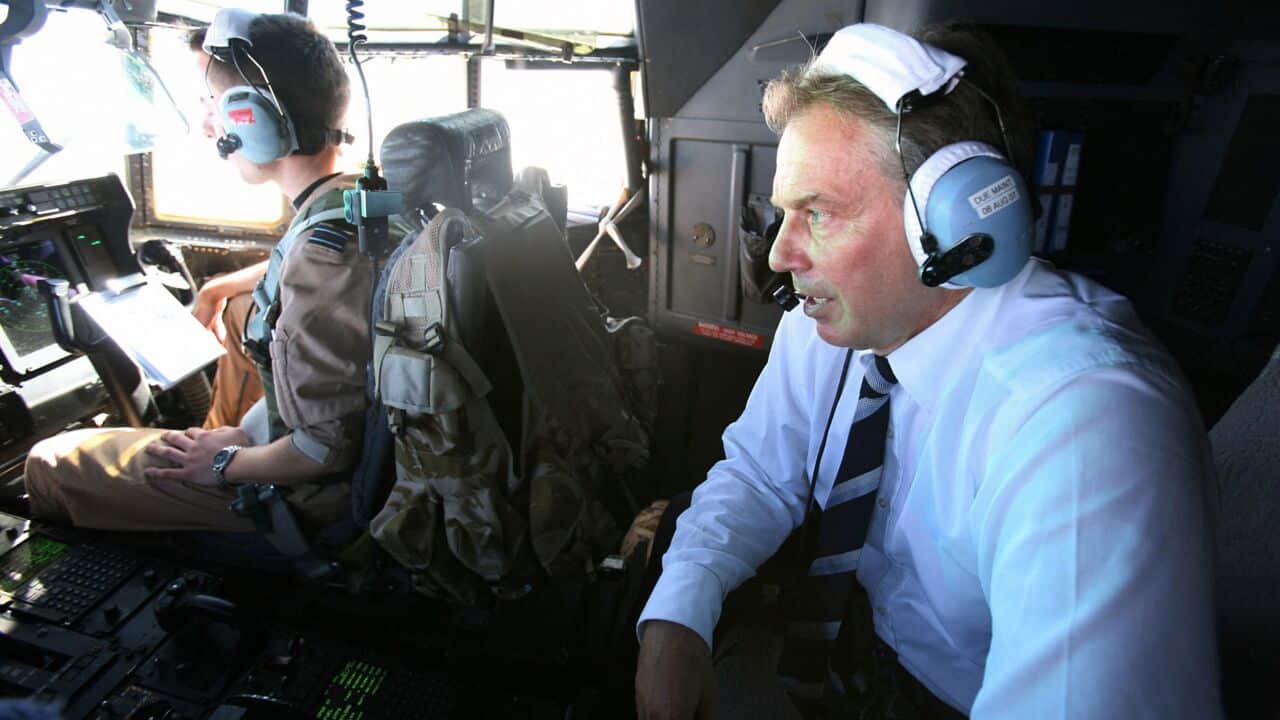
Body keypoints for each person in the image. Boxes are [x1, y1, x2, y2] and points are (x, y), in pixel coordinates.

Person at [634, 22, 1222, 720]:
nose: (778, 256)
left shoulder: (1086, 427)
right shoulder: (831, 322)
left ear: (947, 223)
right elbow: (762, 472)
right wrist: (680, 611)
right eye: (783, 212)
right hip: (858, 649)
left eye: (818, 214)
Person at [22, 10, 371, 534]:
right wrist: (219, 290)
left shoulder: (322, 257)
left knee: (51, 463)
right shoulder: (354, 199)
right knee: (236, 311)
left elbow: (324, 449)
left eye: (213, 105)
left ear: (252, 119)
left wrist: (223, 463)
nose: (208, 124)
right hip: (340, 455)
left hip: (316, 500)